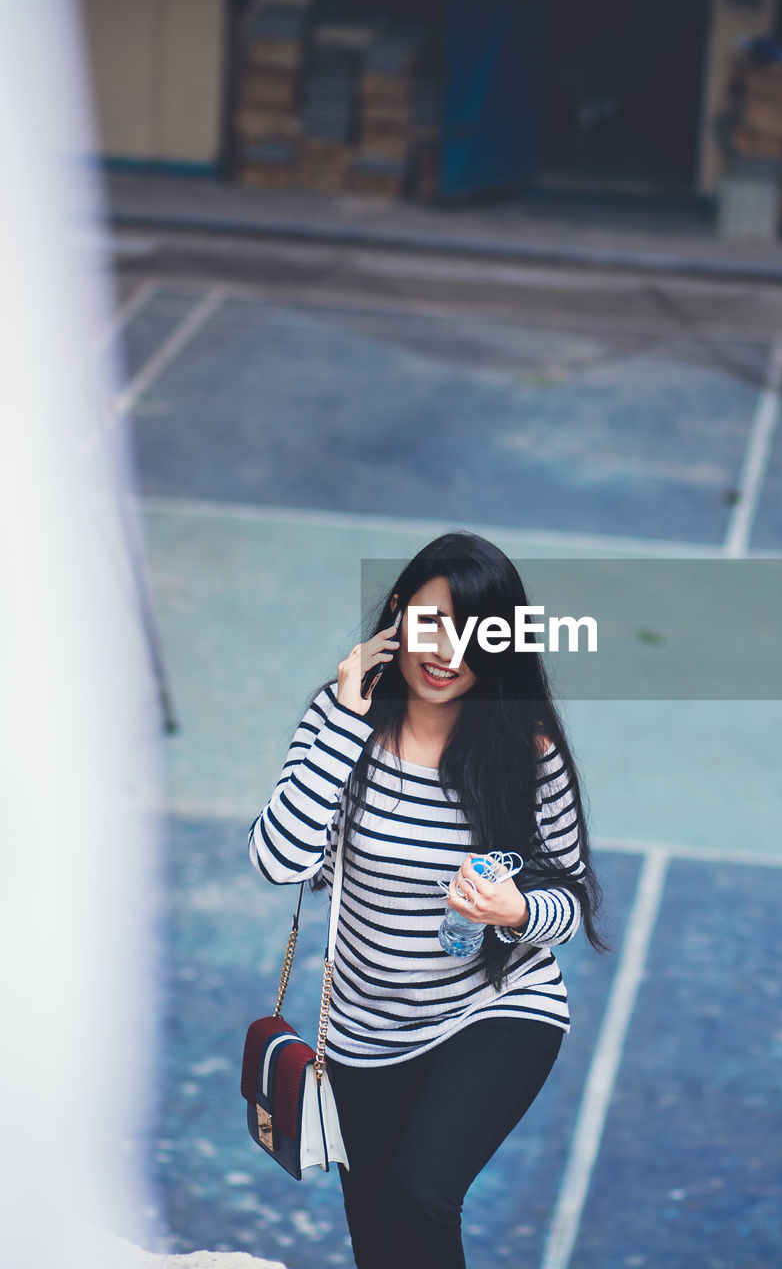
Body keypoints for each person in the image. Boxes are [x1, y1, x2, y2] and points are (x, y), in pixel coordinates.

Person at [248, 530, 608, 1269]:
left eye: (476, 636)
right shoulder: (338, 721)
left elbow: (570, 900)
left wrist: (515, 912)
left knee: (421, 1196)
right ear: (396, 616)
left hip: (492, 1008)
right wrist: (346, 724)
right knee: (382, 1243)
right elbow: (279, 862)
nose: (447, 653)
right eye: (430, 624)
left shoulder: (525, 750)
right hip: (362, 1034)